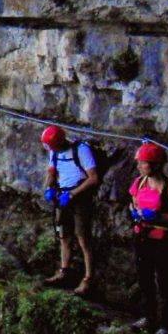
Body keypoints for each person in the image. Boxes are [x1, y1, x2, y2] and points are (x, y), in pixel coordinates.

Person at [129, 142, 168, 334]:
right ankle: (148, 317)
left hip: (163, 241)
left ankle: (167, 325)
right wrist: (135, 213)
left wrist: (159, 218)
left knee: (165, 282)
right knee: (144, 279)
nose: (139, 166)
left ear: (155, 165)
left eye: (143, 163)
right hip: (143, 236)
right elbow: (133, 201)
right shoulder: (139, 182)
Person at [40, 126, 99, 295]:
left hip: (79, 197)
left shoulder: (81, 150)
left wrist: (72, 194)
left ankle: (88, 279)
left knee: (83, 239)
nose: (49, 149)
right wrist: (49, 188)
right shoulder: (55, 152)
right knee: (63, 235)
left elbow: (93, 178)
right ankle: (64, 271)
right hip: (62, 195)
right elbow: (52, 171)